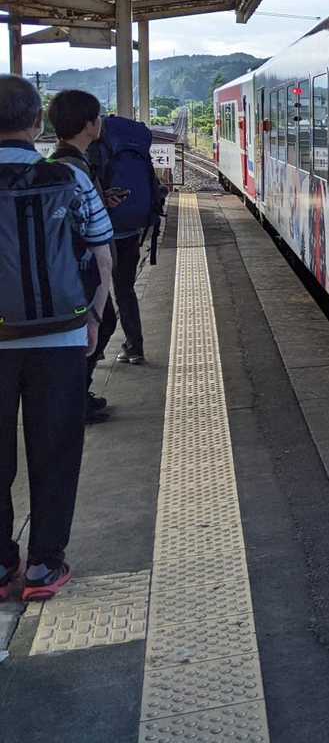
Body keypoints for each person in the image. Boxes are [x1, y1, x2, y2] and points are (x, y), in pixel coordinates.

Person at [1, 74, 114, 602]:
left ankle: (2, 565)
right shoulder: (69, 178)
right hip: (60, 337)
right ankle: (44, 565)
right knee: (55, 450)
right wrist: (95, 316)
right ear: (36, 122)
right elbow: (101, 253)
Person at [47, 90, 116, 422]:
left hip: (64, 271)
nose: (100, 122)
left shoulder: (61, 162)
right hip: (79, 273)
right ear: (89, 124)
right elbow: (99, 247)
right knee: (99, 326)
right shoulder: (73, 167)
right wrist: (97, 311)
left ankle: (77, 395)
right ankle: (77, 398)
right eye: (97, 116)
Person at [90, 113, 164, 366]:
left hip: (100, 235)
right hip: (130, 231)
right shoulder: (133, 146)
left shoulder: (92, 149)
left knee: (97, 291)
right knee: (125, 290)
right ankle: (134, 346)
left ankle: (97, 347)